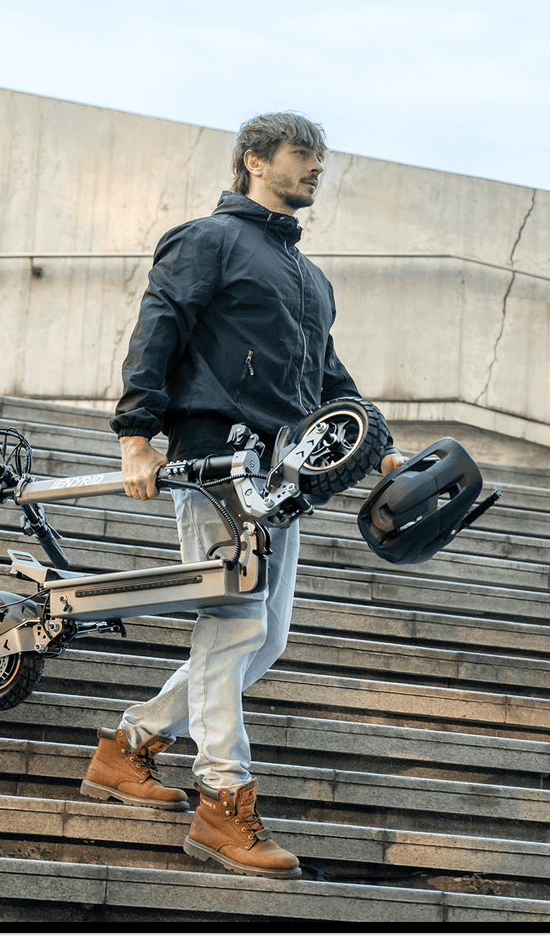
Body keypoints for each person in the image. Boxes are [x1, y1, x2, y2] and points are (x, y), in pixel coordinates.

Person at [80, 111, 405, 879]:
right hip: (216, 460)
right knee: (231, 631)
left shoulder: (307, 277)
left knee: (267, 639)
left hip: (283, 474)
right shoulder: (209, 239)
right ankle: (223, 804)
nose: (318, 168)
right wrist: (137, 434)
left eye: (322, 158)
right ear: (257, 160)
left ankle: (128, 748)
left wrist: (380, 443)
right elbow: (159, 324)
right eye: (304, 155)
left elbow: (325, 375)